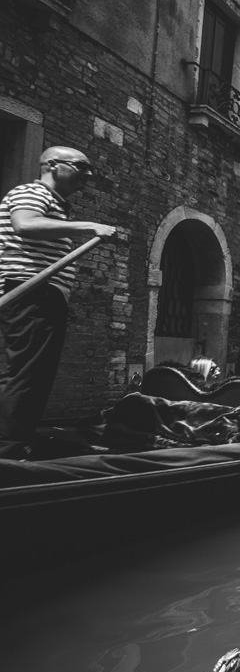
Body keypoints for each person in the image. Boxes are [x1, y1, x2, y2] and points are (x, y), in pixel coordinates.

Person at [0, 146, 119, 459]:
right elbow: (24, 224)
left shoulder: (55, 203)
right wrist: (88, 226)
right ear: (52, 165)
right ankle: (9, 450)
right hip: (33, 291)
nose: (88, 174)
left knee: (26, 373)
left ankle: (12, 440)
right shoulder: (31, 192)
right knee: (30, 374)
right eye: (81, 167)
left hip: (40, 294)